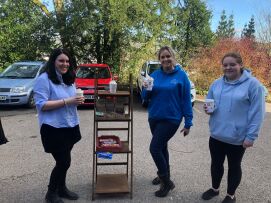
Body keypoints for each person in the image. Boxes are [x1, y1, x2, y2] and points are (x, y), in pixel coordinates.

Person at [202, 52, 265, 203]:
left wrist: (251, 136)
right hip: (217, 134)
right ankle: (215, 189)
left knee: (234, 166)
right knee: (216, 164)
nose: (228, 67)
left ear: (241, 65)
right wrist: (208, 108)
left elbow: (258, 113)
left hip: (237, 138)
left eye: (232, 64)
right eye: (225, 65)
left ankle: (231, 195)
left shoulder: (253, 85)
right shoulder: (216, 83)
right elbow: (209, 102)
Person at [34, 48, 84, 203]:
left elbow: (72, 99)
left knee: (65, 160)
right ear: (53, 62)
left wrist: (77, 100)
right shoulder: (44, 79)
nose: (65, 64)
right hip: (53, 127)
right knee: (63, 162)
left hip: (69, 125)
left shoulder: (69, 78)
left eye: (67, 61)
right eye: (61, 60)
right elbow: (41, 105)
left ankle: (61, 189)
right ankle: (51, 193)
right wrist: (67, 101)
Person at [141, 46, 193, 197]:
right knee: (162, 147)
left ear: (173, 57)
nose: (165, 59)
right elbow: (146, 97)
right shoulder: (155, 75)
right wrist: (146, 88)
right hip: (154, 117)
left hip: (171, 119)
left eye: (168, 56)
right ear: (159, 59)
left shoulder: (182, 76)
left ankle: (167, 183)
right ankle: (164, 175)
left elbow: (186, 100)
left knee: (154, 148)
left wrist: (188, 122)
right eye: (162, 57)